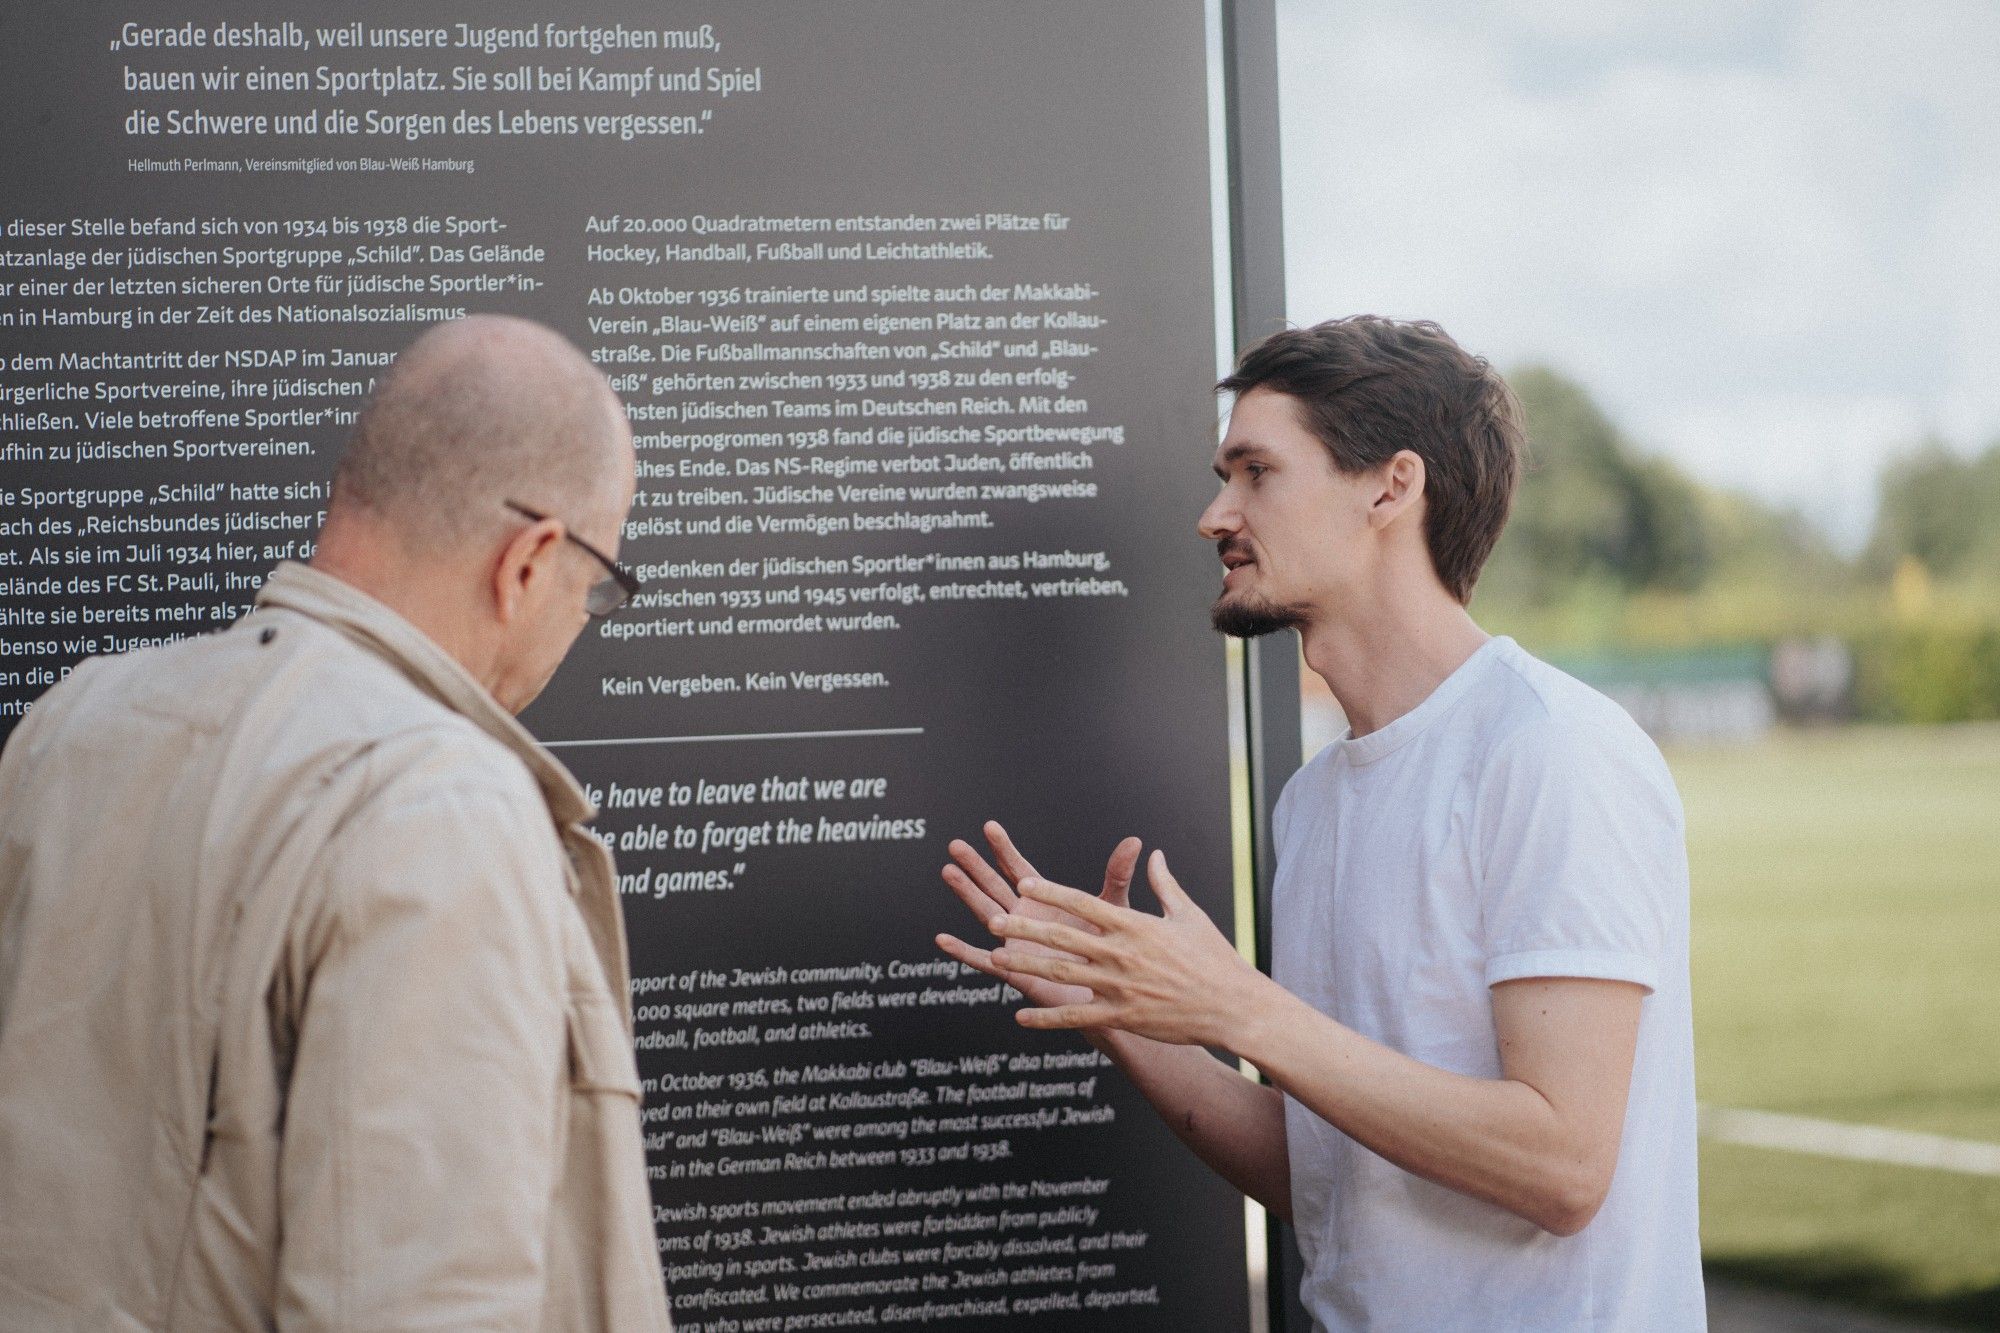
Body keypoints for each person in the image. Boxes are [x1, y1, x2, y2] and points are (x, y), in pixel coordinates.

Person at [937, 317, 1704, 1330]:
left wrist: (1242, 1009)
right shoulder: (1311, 802)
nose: (1215, 514)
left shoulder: (1550, 750)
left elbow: (1562, 1165)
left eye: (1256, 470)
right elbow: (1335, 1183)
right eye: (1224, 474)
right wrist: (1124, 1012)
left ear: (1390, 487)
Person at [0, 315, 674, 1330]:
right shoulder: (445, 805)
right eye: (597, 589)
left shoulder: (79, 716)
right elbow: (419, 1300)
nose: (582, 621)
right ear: (530, 561)